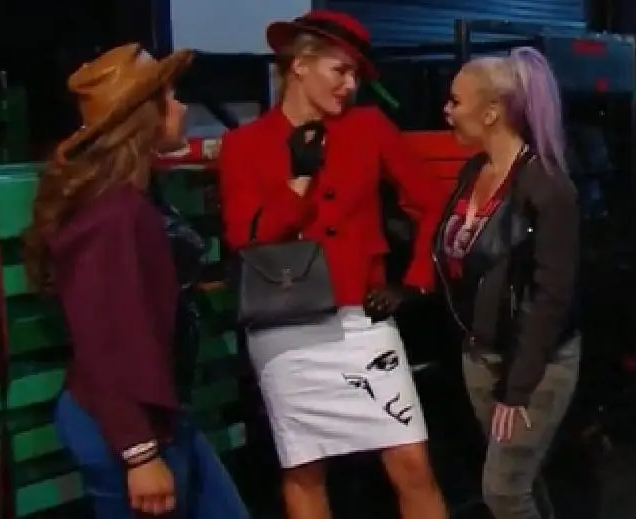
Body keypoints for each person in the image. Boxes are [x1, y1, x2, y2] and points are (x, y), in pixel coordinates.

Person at [218, 10, 448, 519]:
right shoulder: (244, 144)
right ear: (300, 65)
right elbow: (245, 237)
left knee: (411, 461)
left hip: (361, 319)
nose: (350, 85)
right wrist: (297, 184)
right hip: (284, 325)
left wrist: (414, 281)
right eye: (340, 71)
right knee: (305, 470)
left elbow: (432, 203)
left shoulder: (369, 128)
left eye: (355, 75)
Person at [22, 44, 248, 518]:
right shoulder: (113, 215)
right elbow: (104, 341)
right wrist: (138, 452)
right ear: (146, 116)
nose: (182, 107)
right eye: (170, 97)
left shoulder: (135, 198)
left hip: (157, 413)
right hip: (126, 424)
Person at [434, 47, 581, 519]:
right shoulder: (474, 171)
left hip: (534, 361)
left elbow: (551, 295)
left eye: (456, 101)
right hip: (481, 353)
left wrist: (518, 387)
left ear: (491, 111)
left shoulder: (547, 185)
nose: (447, 110)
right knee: (521, 481)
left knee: (503, 492)